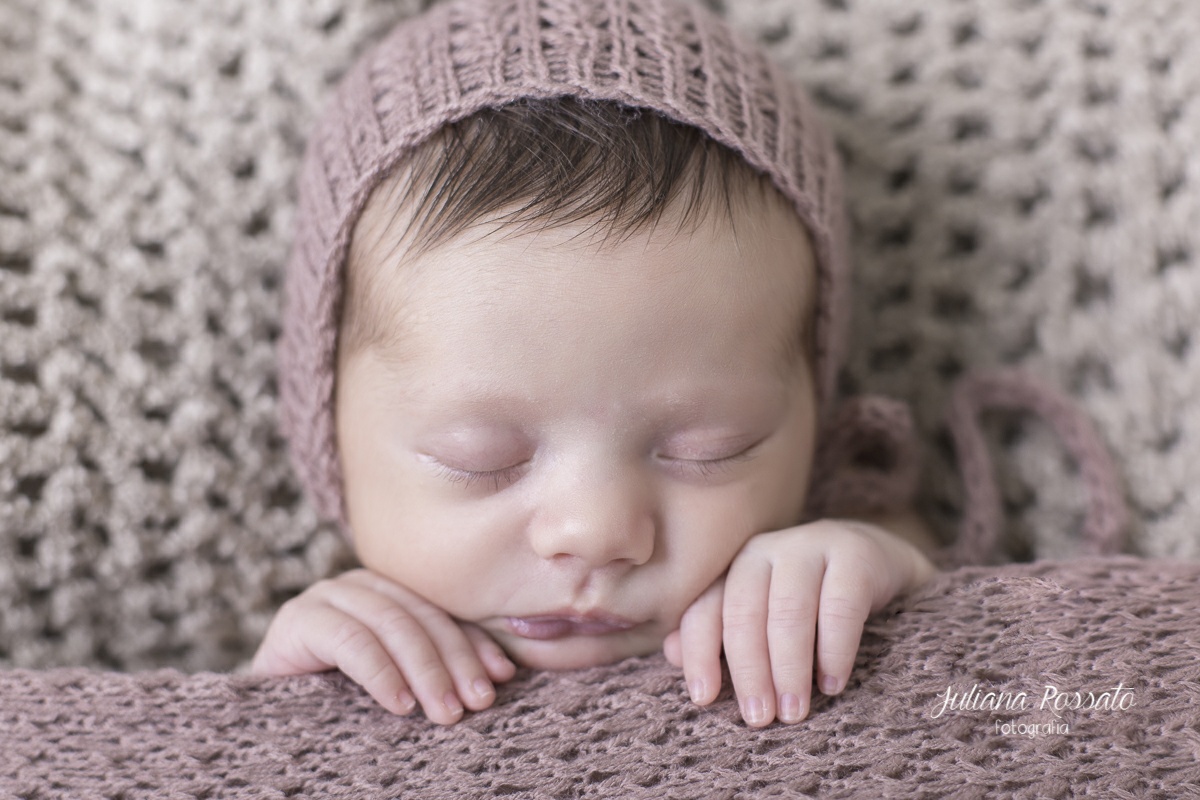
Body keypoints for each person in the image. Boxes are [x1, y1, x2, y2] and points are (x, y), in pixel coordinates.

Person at [252, 0, 941, 728]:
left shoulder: (850, 582)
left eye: (707, 451)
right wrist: (271, 703)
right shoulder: (329, 657)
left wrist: (898, 575)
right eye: (480, 458)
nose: (595, 532)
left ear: (813, 418)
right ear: (327, 433)